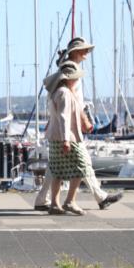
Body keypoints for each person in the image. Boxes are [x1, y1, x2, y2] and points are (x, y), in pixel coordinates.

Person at [34, 37, 123, 211]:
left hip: (64, 129)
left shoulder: (67, 72)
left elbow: (62, 106)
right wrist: (82, 121)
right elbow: (68, 106)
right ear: (74, 52)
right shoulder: (68, 76)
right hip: (68, 130)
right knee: (81, 164)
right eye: (84, 50)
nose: (87, 54)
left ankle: (47, 200)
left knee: (58, 168)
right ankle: (84, 199)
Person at [44, 61, 90, 215]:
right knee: (82, 165)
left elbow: (56, 116)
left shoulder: (56, 91)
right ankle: (69, 201)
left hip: (56, 136)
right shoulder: (64, 92)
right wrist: (66, 140)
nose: (77, 80)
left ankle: (56, 204)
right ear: (68, 78)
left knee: (57, 170)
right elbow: (64, 117)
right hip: (66, 137)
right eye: (75, 78)